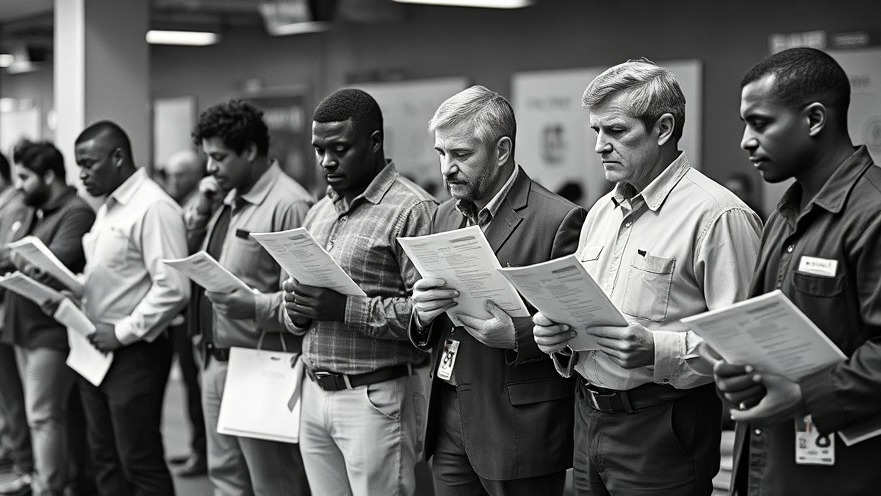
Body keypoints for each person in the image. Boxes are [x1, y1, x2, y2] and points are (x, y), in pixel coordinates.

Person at [532, 59, 762, 495]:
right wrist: (557, 335)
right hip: (588, 415)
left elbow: (746, 344)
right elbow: (586, 312)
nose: (600, 146)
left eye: (616, 131)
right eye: (596, 132)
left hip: (664, 424)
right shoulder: (601, 211)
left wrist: (658, 350)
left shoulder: (718, 216)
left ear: (663, 129)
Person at [714, 47, 881, 496]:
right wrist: (737, 372)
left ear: (814, 120)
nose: (747, 140)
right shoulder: (783, 216)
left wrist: (808, 393)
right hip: (767, 467)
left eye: (760, 123)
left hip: (844, 476)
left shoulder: (873, 212)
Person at [408, 85, 586, 496]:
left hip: (517, 425)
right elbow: (429, 320)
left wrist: (518, 335)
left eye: (461, 154)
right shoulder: (442, 215)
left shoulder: (558, 219)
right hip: (450, 414)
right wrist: (421, 313)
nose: (447, 168)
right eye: (441, 154)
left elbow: (579, 329)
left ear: (502, 150)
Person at [282, 88, 437, 496]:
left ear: (374, 142)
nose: (326, 161)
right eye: (319, 150)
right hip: (313, 391)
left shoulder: (412, 210)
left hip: (374, 397)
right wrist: (296, 308)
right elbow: (296, 309)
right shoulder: (319, 210)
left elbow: (426, 317)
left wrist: (345, 308)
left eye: (340, 148)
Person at [187, 100, 313, 495]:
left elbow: (303, 300)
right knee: (226, 481)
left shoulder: (289, 204)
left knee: (273, 484)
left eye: (218, 158)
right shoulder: (226, 199)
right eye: (207, 157)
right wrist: (201, 219)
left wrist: (253, 307)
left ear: (251, 151)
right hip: (217, 359)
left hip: (263, 364)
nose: (210, 169)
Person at [75, 120, 190, 495]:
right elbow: (111, 275)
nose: (82, 174)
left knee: (138, 460)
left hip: (134, 350)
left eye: (89, 163)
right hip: (96, 348)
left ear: (118, 157)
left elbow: (174, 289)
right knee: (105, 458)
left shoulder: (154, 206)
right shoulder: (109, 207)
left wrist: (121, 331)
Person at [0, 141, 95, 496]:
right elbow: (12, 255)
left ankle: (48, 487)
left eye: (24, 177)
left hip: (50, 332)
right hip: (24, 328)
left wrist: (16, 258)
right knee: (37, 414)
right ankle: (46, 478)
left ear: (48, 176)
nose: (18, 185)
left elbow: (53, 261)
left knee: (43, 416)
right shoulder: (36, 209)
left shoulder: (75, 211)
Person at [160, 149, 208, 477]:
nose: (173, 181)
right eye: (171, 175)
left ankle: (202, 452)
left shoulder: (203, 204)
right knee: (191, 387)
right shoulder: (178, 205)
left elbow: (188, 248)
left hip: (195, 312)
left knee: (196, 387)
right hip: (180, 313)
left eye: (180, 175)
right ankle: (196, 448)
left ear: (196, 174)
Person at [0, 150, 34, 495]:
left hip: (9, 309)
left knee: (15, 392)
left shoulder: (15, 206)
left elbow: (9, 255)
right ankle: (15, 449)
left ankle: (24, 461)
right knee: (7, 393)